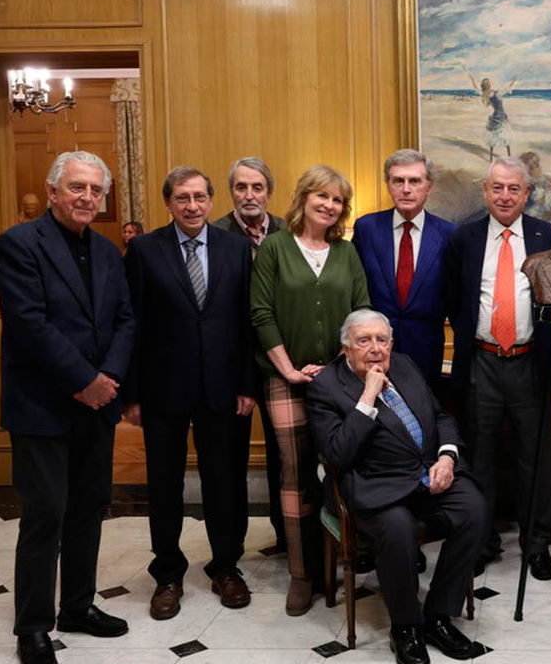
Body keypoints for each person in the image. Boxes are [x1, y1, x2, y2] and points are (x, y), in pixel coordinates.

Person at [0, 151, 136, 664]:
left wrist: (108, 378)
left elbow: (125, 320)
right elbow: (29, 324)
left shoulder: (106, 250)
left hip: (96, 406)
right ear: (53, 191)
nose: (87, 198)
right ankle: (33, 626)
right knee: (45, 515)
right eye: (77, 187)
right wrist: (84, 381)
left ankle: (77, 606)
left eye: (96, 190)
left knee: (88, 508)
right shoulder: (18, 244)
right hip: (42, 406)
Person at [307, 310, 488, 664]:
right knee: (398, 528)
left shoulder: (405, 365)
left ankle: (438, 616)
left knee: (474, 509)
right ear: (346, 348)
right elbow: (339, 453)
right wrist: (368, 397)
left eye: (382, 340)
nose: (375, 349)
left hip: (426, 475)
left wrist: (447, 457)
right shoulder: (326, 386)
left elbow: (439, 417)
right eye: (364, 341)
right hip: (374, 485)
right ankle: (406, 628)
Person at [122, 166, 257, 621]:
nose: (192, 206)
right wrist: (131, 394)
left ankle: (226, 567)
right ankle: (167, 574)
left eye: (200, 197)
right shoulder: (145, 250)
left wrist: (247, 384)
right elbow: (132, 323)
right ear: (169, 203)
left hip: (223, 387)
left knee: (224, 482)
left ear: (211, 201)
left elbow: (246, 322)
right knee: (165, 484)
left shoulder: (235, 248)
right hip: (163, 389)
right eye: (182, 198)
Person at [250, 164, 371, 615]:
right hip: (285, 379)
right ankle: (302, 575)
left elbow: (361, 312)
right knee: (295, 474)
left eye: (338, 200)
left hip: (339, 379)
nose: (329, 205)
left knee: (341, 469)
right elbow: (261, 313)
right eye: (322, 196)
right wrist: (288, 369)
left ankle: (339, 562)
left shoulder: (346, 252)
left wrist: (337, 366)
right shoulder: (275, 248)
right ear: (303, 198)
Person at [443, 156, 551, 579]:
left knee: (537, 458)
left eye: (514, 188)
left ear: (527, 194)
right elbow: (453, 299)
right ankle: (480, 541)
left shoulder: (548, 236)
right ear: (485, 191)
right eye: (497, 187)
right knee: (479, 458)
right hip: (482, 362)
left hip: (531, 362)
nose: (505, 196)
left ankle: (537, 544)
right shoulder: (465, 238)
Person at [212, 156, 290, 551]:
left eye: (257, 187)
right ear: (231, 192)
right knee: (230, 458)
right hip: (231, 364)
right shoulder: (214, 234)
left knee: (284, 455)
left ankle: (286, 536)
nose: (249, 195)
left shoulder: (288, 231)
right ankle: (230, 549)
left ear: (269, 192)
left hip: (279, 360)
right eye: (241, 187)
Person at [352, 149, 456, 389]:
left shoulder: (448, 234)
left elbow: (455, 297)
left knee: (422, 411)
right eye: (398, 181)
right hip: (372, 351)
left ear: (429, 187)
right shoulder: (366, 228)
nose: (406, 189)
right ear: (388, 185)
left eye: (414, 181)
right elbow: (353, 290)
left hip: (425, 351)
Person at [464, 70, 518, 160]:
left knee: (494, 137)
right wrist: (514, 81)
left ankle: (491, 158)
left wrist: (472, 79)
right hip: (501, 116)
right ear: (489, 85)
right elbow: (507, 88)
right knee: (505, 137)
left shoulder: (485, 94)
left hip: (496, 115)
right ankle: (508, 156)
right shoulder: (495, 93)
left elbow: (476, 88)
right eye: (489, 82)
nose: (490, 83)